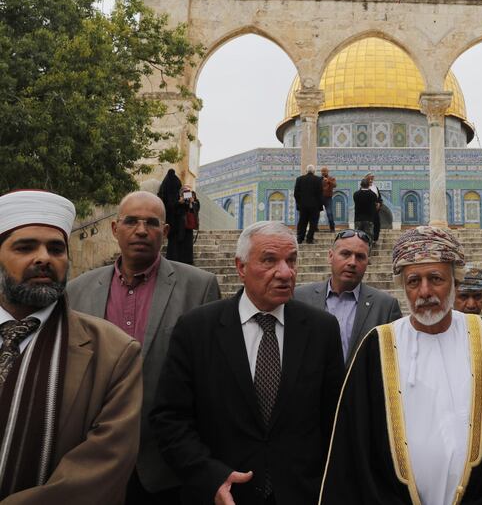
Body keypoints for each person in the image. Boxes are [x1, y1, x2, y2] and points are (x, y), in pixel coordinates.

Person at [319, 226, 482, 504]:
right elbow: (355, 452)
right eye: (413, 281)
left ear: (455, 281)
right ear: (403, 287)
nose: (425, 291)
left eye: (436, 278)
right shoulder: (378, 346)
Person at [151, 221, 345, 504]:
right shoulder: (197, 329)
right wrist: (209, 475)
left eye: (291, 260)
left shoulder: (321, 329)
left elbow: (335, 420)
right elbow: (169, 418)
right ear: (240, 267)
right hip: (222, 495)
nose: (285, 272)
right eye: (269, 260)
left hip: (301, 494)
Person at [67, 190, 221, 504]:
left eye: (151, 223)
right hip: (93, 460)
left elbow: (212, 378)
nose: (141, 230)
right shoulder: (77, 291)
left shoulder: (199, 287)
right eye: (131, 221)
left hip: (166, 468)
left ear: (165, 232)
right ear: (115, 229)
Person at [0, 190, 142, 504]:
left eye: (56, 248)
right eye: (25, 247)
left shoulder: (115, 352)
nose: (43, 258)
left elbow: (102, 469)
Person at [294, 228, 402, 365]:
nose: (352, 262)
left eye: (360, 257)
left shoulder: (385, 306)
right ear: (330, 256)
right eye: (345, 254)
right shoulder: (300, 298)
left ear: (367, 261)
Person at [166, 185, 200, 265]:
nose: (186, 194)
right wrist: (179, 202)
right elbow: (171, 209)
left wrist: (191, 203)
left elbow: (196, 210)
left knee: (187, 245)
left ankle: (188, 261)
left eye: (187, 192)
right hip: (178, 227)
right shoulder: (176, 199)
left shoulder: (194, 199)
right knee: (178, 245)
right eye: (184, 192)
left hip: (188, 227)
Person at [293, 164, 323, 244]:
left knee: (302, 221)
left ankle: (300, 238)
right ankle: (309, 239)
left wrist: (299, 203)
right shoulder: (318, 180)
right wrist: (320, 206)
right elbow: (320, 194)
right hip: (314, 206)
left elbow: (296, 193)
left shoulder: (299, 179)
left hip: (303, 205)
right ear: (314, 171)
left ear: (306, 171)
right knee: (313, 223)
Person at [157, 168, 182, 258]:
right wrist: (179, 202)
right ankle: (173, 256)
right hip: (174, 216)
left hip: (166, 215)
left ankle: (171, 255)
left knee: (170, 236)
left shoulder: (165, 184)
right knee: (174, 237)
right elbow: (173, 202)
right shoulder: (175, 182)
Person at [366, 173, 383, 242]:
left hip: (375, 209)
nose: (370, 180)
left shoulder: (375, 188)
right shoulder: (364, 188)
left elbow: (379, 198)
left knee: (376, 224)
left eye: (371, 179)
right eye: (369, 179)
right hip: (367, 210)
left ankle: (375, 239)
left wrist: (379, 204)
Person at [321, 167, 337, 232]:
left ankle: (332, 228)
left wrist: (328, 181)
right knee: (315, 213)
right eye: (322, 171)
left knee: (329, 213)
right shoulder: (319, 179)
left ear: (328, 171)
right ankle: (315, 228)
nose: (323, 172)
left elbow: (335, 185)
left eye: (325, 171)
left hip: (328, 198)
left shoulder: (331, 178)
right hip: (320, 198)